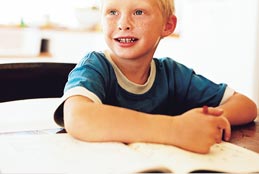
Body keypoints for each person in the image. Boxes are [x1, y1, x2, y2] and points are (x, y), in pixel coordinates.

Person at [54, 0, 257, 154]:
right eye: (112, 12)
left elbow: (246, 105)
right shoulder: (95, 66)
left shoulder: (172, 73)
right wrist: (175, 129)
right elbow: (78, 118)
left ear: (167, 25)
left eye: (139, 12)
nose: (123, 23)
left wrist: (202, 122)